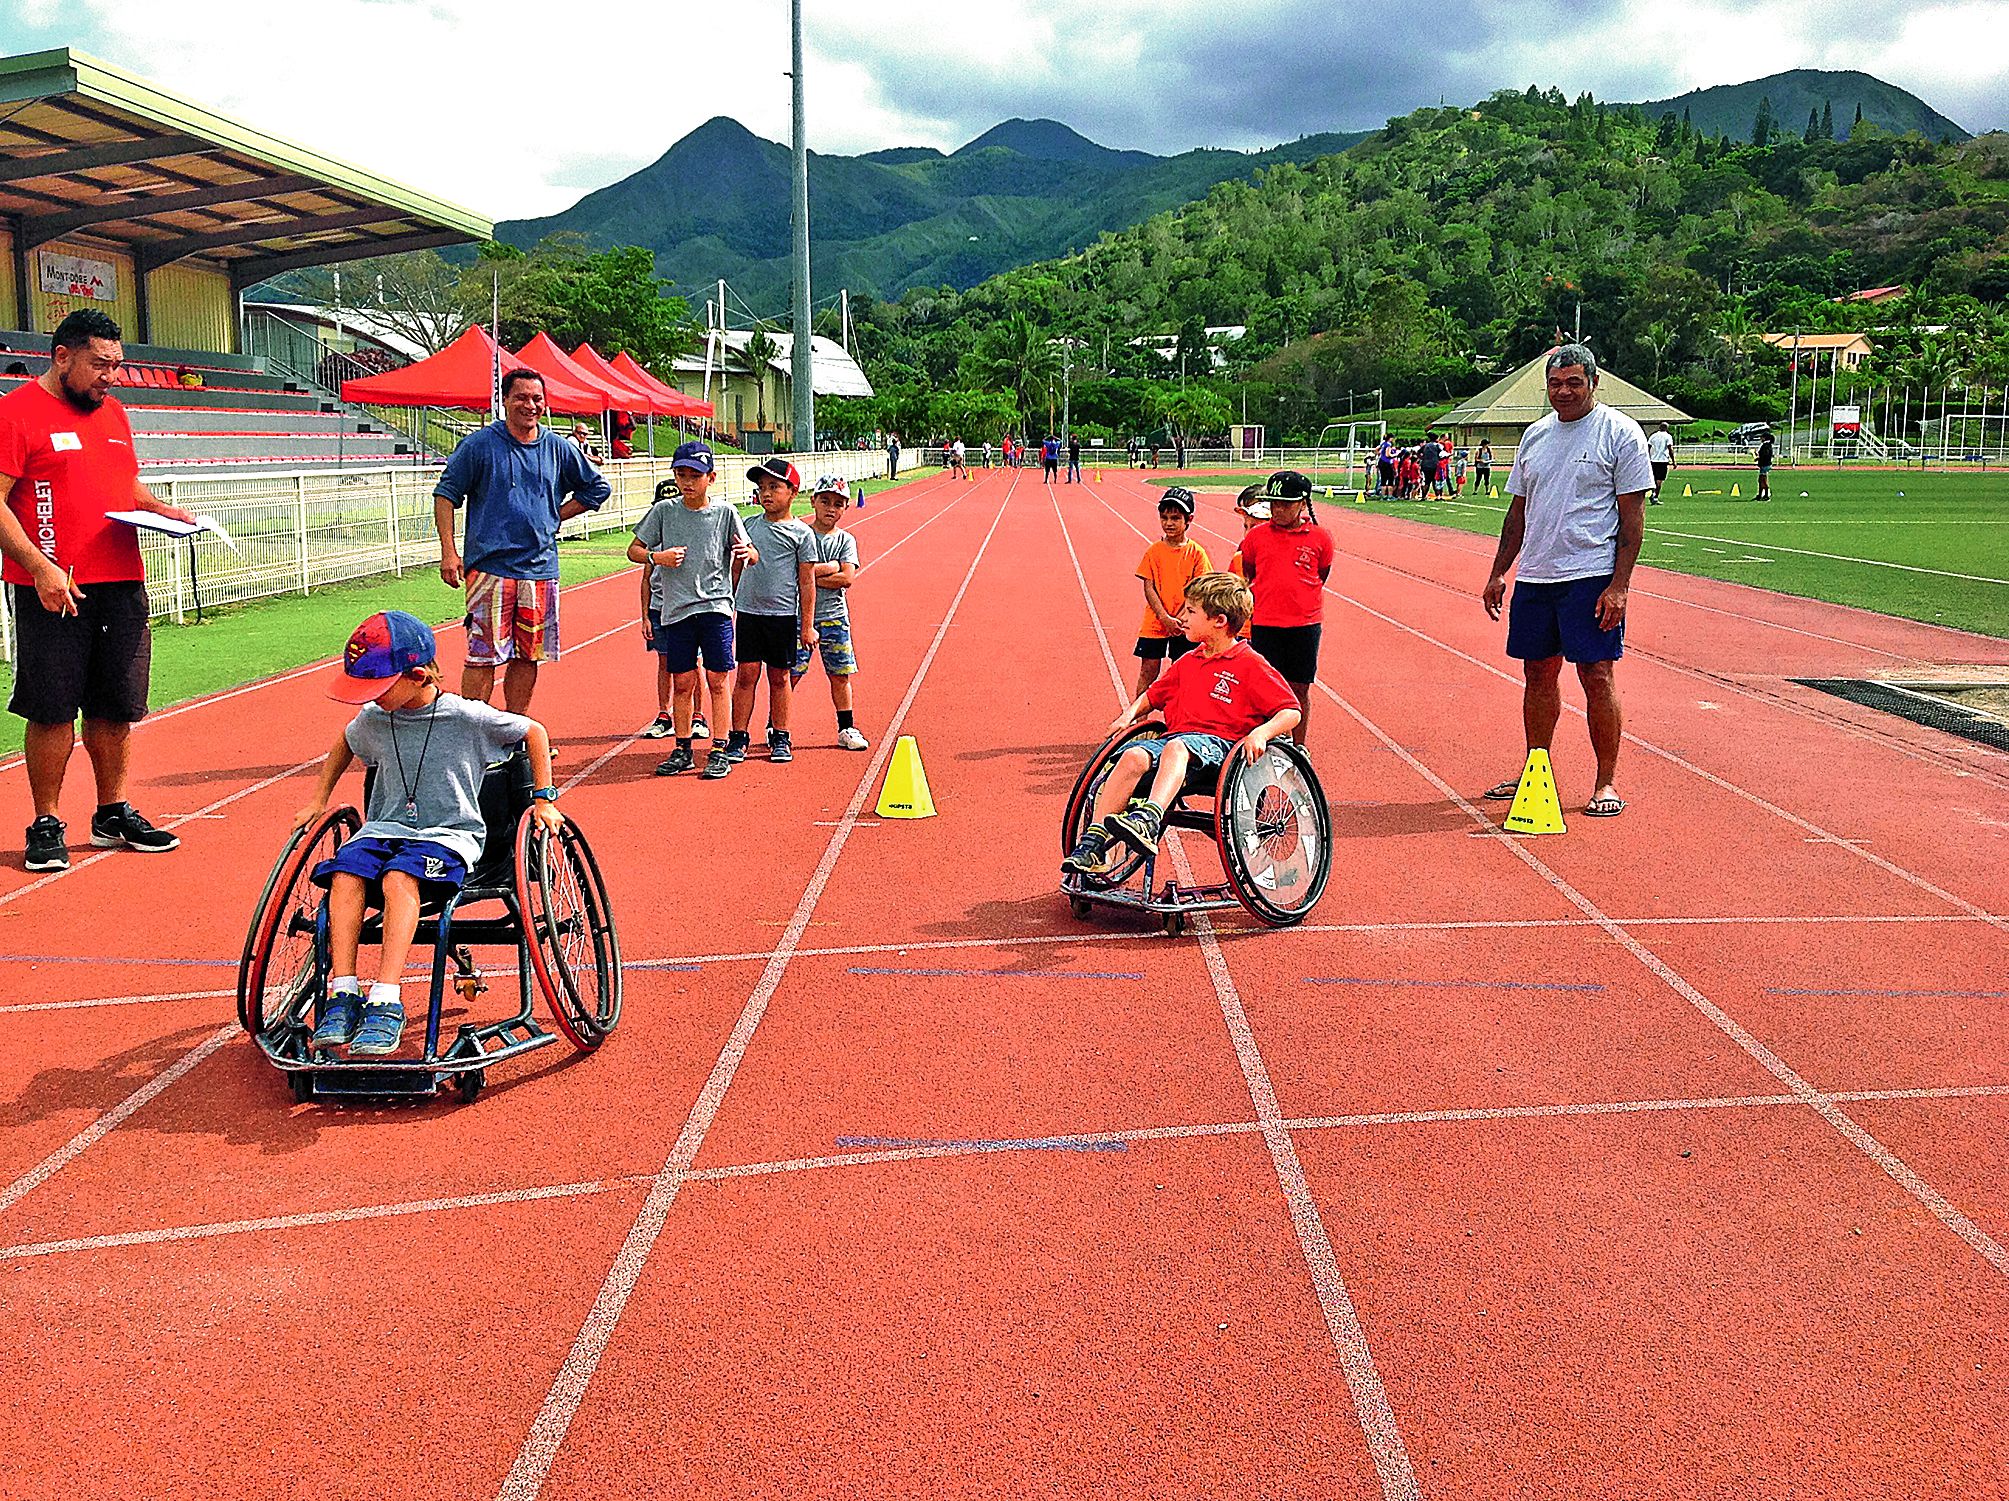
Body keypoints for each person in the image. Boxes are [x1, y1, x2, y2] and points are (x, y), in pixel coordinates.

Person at [294, 610, 560, 1057]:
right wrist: (319, 798)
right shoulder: (375, 718)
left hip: (448, 836)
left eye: (378, 690)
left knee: (400, 878)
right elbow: (344, 741)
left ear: (417, 676)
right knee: (344, 875)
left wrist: (544, 798)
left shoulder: (467, 717)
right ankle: (343, 991)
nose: (372, 701)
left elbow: (535, 731)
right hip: (382, 829)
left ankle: (385, 999)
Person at [0, 309, 201, 872]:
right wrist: (39, 567)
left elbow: (122, 480)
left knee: (116, 704)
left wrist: (159, 508)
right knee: (51, 707)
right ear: (62, 356)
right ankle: (46, 818)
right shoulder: (16, 414)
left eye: (117, 364)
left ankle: (111, 811)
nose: (110, 376)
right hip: (53, 587)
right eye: (99, 364)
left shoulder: (113, 411)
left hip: (121, 578)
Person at [1481, 344, 1652, 819]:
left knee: (1596, 675)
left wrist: (1619, 586)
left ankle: (1605, 782)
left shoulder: (1621, 434)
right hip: (1538, 575)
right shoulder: (1535, 437)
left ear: (1594, 384)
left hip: (1591, 576)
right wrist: (1499, 571)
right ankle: (1536, 772)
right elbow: (1518, 511)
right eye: (1556, 383)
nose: (1564, 391)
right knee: (1537, 674)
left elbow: (1633, 519)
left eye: (1574, 382)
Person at [1062, 572, 1301, 875]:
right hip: (1179, 743)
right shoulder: (1189, 661)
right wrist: (1129, 715)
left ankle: (1148, 820)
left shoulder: (1250, 664)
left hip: (1222, 750)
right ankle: (1095, 844)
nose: (1182, 617)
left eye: (1190, 611)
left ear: (1219, 621)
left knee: (1177, 747)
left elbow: (1291, 711)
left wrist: (1262, 733)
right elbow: (1152, 695)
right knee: (1133, 754)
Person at [433, 369, 610, 714]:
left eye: (537, 398)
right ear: (505, 400)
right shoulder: (479, 446)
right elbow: (445, 494)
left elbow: (597, 488)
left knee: (529, 654)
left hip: (540, 569)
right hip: (490, 567)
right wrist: (448, 551)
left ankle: (513, 730)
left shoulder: (558, 448)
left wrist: (555, 515)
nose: (530, 405)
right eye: (521, 397)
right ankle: (474, 732)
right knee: (482, 655)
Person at [629, 441, 751, 780]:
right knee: (681, 681)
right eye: (681, 475)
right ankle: (682, 748)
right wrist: (658, 557)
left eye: (694, 475)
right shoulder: (664, 512)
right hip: (676, 609)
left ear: (710, 478)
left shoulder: (725, 513)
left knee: (717, 678)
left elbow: (749, 551)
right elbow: (634, 550)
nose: (687, 482)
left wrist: (747, 554)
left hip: (715, 608)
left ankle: (719, 748)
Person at [727, 458, 819, 764]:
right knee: (746, 674)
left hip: (781, 615)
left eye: (774, 487)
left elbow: (807, 582)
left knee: (780, 677)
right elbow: (736, 569)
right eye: (762, 487)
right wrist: (729, 601)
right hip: (749, 613)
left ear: (792, 492)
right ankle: (738, 736)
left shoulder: (802, 534)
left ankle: (781, 735)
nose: (766, 493)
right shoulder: (749, 525)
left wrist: (807, 626)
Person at [1239, 469, 1334, 746]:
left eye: (1285, 503)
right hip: (1266, 624)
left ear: (1302, 503)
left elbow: (1321, 574)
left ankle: (1299, 745)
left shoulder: (1320, 539)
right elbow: (1250, 572)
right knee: (1263, 688)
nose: (1277, 509)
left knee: (1299, 687)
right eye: (1273, 503)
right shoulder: (1255, 538)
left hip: (1304, 626)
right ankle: (1264, 741)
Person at [793, 476, 869, 750]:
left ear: (845, 508)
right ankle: (776, 725)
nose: (830, 508)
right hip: (799, 618)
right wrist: (830, 567)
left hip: (835, 617)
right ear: (813, 501)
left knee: (840, 674)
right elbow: (791, 575)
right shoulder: (799, 534)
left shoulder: (846, 540)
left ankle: (846, 727)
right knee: (790, 674)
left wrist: (808, 575)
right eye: (825, 501)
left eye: (838, 504)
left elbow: (847, 578)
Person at [1131, 487, 1214, 698]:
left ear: (1189, 519)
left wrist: (1180, 617)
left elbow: (1199, 589)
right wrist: (1164, 617)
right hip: (1156, 620)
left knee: (1184, 670)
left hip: (1185, 623)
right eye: (1164, 517)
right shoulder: (1154, 551)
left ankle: (1182, 717)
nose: (1169, 523)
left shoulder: (1196, 553)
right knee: (1148, 670)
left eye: (1175, 518)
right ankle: (1140, 722)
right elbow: (1149, 586)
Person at [1646, 423, 1675, 503]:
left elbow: (1648, 446)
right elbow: (1670, 448)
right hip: (1663, 460)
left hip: (1653, 460)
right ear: (1666, 428)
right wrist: (1673, 461)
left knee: (1654, 479)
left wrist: (1648, 457)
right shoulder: (1668, 436)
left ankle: (1653, 493)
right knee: (1659, 480)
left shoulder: (1653, 435)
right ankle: (1655, 496)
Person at [1754, 428, 1773, 501]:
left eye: (1761, 437)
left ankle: (1766, 494)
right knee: (1760, 480)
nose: (1760, 438)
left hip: (1765, 465)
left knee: (1763, 480)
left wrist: (1758, 458)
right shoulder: (1766, 445)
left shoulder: (1766, 445)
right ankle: (1760, 494)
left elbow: (1765, 455)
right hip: (1764, 464)